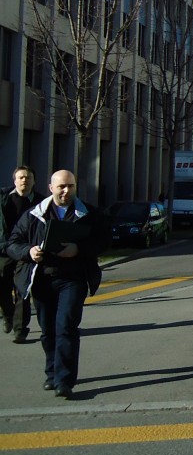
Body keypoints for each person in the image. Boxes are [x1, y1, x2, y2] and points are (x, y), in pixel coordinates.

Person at [6, 170, 110, 399]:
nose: (66, 191)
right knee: (48, 330)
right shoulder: (34, 214)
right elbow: (12, 243)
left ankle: (65, 380)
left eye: (70, 186)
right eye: (61, 186)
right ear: (51, 187)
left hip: (73, 279)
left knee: (66, 327)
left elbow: (104, 239)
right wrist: (28, 251)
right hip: (42, 278)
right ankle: (51, 373)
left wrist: (79, 249)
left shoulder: (88, 213)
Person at [2, 165, 44, 343]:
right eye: (21, 177)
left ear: (34, 181)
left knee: (22, 289)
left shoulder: (42, 203)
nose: (24, 180)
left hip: (26, 250)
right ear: (15, 181)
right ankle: (8, 314)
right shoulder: (3, 199)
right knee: (2, 287)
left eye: (28, 178)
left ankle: (20, 329)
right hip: (4, 250)